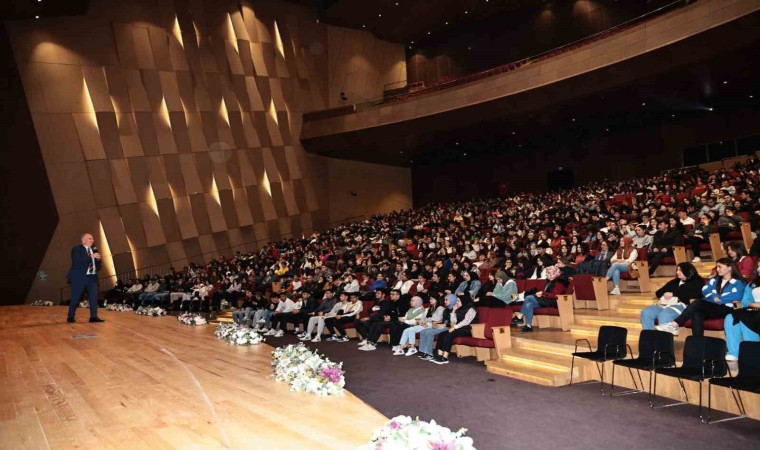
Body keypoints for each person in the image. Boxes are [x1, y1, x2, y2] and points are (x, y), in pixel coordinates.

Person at [656, 257, 746, 336]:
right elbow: (705, 290)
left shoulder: (739, 282)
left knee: (698, 302)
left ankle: (674, 324)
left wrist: (718, 299)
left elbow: (736, 296)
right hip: (712, 307)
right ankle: (698, 344)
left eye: (720, 267)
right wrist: (714, 297)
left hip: (726, 308)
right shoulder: (715, 280)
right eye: (716, 267)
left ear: (730, 268)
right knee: (696, 313)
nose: (717, 269)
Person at [640, 263, 704, 330]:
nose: (677, 272)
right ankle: (648, 338)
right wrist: (667, 294)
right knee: (646, 312)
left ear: (688, 271)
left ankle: (663, 339)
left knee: (665, 314)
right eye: (677, 270)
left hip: (684, 306)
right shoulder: (675, 281)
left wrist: (673, 294)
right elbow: (658, 293)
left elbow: (696, 294)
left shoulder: (697, 281)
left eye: (680, 270)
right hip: (666, 304)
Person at [513, 265, 569, 333]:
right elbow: (547, 293)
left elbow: (555, 295)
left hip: (554, 301)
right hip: (547, 300)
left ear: (554, 273)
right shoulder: (549, 281)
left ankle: (519, 316)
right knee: (529, 304)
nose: (546, 274)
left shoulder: (559, 282)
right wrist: (542, 294)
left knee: (529, 297)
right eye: (547, 273)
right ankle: (528, 326)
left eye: (549, 273)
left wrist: (543, 293)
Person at [723, 259, 760, 361]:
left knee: (746, 317)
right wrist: (752, 304)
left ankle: (752, 352)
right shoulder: (753, 284)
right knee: (731, 317)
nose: (758, 269)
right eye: (758, 267)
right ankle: (734, 352)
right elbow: (745, 301)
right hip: (753, 309)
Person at [66, 233, 104, 323]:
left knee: (94, 297)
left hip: (92, 277)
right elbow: (77, 261)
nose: (92, 240)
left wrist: (98, 260)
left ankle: (93, 317)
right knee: (76, 297)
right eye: (90, 238)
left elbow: (97, 266)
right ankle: (70, 316)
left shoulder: (94, 250)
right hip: (79, 277)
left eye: (93, 239)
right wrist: (91, 257)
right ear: (83, 240)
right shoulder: (76, 249)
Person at [431, 296, 478, 365]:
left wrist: (454, 327)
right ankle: (439, 355)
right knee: (442, 334)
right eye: (456, 301)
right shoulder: (459, 309)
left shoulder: (471, 309)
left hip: (468, 329)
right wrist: (453, 311)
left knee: (449, 334)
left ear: (463, 301)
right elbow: (453, 322)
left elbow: (466, 322)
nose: (456, 302)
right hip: (458, 328)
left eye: (458, 301)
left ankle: (445, 357)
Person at [418, 294, 457, 360]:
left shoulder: (455, 309)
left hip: (449, 327)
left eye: (446, 300)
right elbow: (444, 320)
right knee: (423, 331)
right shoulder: (446, 309)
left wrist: (442, 325)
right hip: (444, 325)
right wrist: (437, 323)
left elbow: (452, 322)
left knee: (429, 332)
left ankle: (429, 353)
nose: (444, 301)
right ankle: (424, 351)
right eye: (444, 300)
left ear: (452, 300)